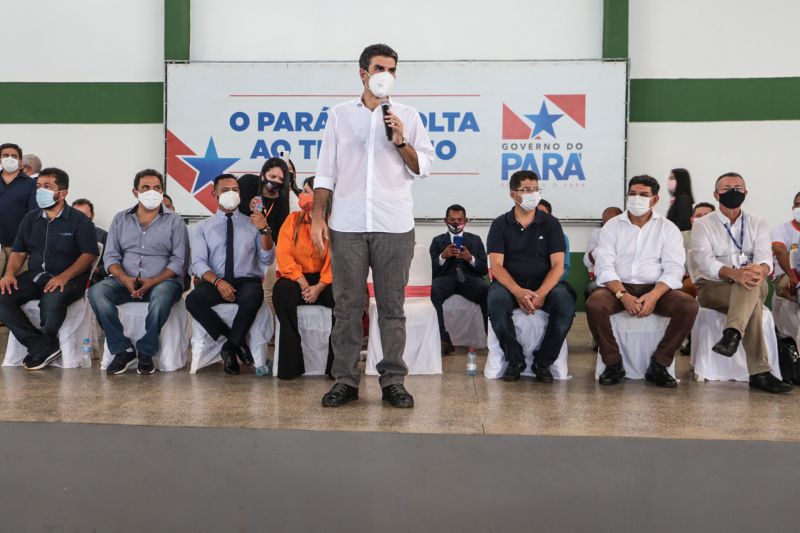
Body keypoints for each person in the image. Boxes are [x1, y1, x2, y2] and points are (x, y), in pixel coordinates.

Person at [311, 43, 434, 408]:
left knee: (392, 306)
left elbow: (422, 166)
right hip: (347, 223)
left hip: (393, 224)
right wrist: (318, 216)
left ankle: (393, 380)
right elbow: (325, 171)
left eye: (392, 69)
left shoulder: (408, 116)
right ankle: (346, 381)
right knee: (347, 306)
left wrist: (401, 141)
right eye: (379, 68)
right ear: (363, 73)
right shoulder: (338, 115)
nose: (386, 75)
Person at [586, 175, 698, 387]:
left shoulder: (668, 228)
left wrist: (654, 296)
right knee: (595, 304)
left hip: (656, 287)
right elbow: (604, 265)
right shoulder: (612, 227)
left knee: (688, 305)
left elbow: (674, 268)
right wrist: (622, 295)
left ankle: (660, 364)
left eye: (643, 195)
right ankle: (613, 363)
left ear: (655, 200)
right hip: (618, 286)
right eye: (633, 194)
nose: (637, 198)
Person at [690, 172, 792, 394]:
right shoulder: (703, 225)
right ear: (716, 194)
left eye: (738, 187)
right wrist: (734, 274)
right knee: (751, 299)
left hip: (754, 281)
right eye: (727, 188)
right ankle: (759, 373)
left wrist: (759, 270)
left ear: (746, 193)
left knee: (751, 283)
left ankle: (732, 335)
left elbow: (765, 258)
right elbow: (704, 263)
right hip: (713, 286)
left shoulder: (758, 223)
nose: (733, 192)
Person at [88, 169, 189, 375]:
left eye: (157, 188)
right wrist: (125, 280)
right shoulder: (120, 219)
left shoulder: (175, 221)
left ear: (162, 191)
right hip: (125, 280)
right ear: (135, 192)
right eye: (146, 187)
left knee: (162, 297)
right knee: (96, 292)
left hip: (163, 282)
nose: (152, 192)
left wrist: (152, 281)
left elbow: (179, 261)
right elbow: (111, 257)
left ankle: (145, 350)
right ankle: (123, 350)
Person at [0, 168, 98, 370]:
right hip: (36, 276)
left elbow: (89, 254)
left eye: (47, 187)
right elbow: (18, 252)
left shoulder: (79, 221)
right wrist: (9, 274)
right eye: (38, 187)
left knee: (51, 301)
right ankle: (41, 345)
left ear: (63, 193)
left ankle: (45, 344)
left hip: (70, 278)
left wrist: (63, 277)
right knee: (2, 296)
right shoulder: (30, 219)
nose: (40, 191)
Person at [486, 170, 575, 382]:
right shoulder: (500, 224)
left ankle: (543, 361)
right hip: (510, 284)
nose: (532, 195)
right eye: (526, 190)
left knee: (565, 305)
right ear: (512, 194)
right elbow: (496, 266)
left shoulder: (551, 224)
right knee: (495, 304)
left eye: (535, 190)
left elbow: (558, 266)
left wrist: (542, 293)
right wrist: (517, 291)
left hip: (546, 284)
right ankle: (514, 359)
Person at [186, 174, 274, 375]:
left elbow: (267, 259)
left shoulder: (253, 223)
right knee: (192, 300)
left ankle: (228, 348)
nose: (231, 194)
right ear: (214, 194)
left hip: (246, 280)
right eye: (225, 190)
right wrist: (218, 282)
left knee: (254, 296)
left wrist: (265, 230)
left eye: (235, 189)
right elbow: (198, 263)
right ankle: (235, 341)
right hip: (214, 280)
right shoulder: (202, 227)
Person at [273, 177, 335, 379]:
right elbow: (284, 255)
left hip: (325, 280)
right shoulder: (293, 220)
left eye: (309, 191)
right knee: (282, 292)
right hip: (296, 278)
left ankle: (336, 367)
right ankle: (291, 366)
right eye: (304, 191)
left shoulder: (335, 223)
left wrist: (320, 286)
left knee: (343, 298)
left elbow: (335, 259)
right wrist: (303, 283)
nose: (303, 195)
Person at [429, 204, 488, 355]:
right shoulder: (437, 241)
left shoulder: (475, 240)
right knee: (433, 289)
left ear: (466, 220)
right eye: (452, 220)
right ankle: (443, 340)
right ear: (445, 220)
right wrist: (442, 256)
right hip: (445, 278)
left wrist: (470, 258)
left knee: (486, 290)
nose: (456, 223)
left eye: (459, 220)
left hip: (469, 279)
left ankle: (493, 339)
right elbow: (430, 270)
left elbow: (483, 269)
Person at [677, 201, 715, 355]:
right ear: (692, 219)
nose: (703, 219)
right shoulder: (681, 236)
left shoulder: (724, 235)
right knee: (688, 288)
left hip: (718, 278)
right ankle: (692, 338)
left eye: (707, 215)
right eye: (699, 216)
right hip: (690, 278)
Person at [0, 143, 37, 276]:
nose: (9, 158)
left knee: (15, 286)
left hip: (18, 247)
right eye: (5, 155)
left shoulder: (31, 184)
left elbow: (33, 215)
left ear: (20, 161)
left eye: (14, 156)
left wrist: (26, 244)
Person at [583, 207, 623, 299]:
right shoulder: (597, 234)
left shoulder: (628, 234)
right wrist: (598, 251)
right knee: (590, 288)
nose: (607, 225)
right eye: (605, 222)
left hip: (625, 278)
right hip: (604, 278)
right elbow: (586, 262)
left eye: (611, 222)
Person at [770, 191, 800, 302]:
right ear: (793, 207)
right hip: (785, 275)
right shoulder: (780, 230)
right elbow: (780, 252)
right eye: (798, 205)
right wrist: (794, 278)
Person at [72, 198, 109, 284]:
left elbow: (113, 263)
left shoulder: (104, 236)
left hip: (91, 280)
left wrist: (96, 269)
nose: (79, 218)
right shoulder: (62, 234)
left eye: (84, 215)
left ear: (92, 215)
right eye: (75, 214)